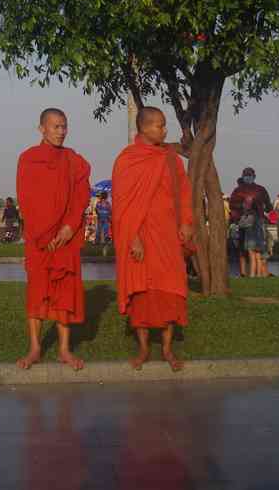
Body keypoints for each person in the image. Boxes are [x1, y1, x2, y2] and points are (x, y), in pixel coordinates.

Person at [112, 107, 193, 372]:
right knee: (142, 294)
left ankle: (167, 349)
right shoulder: (127, 160)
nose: (164, 130)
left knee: (170, 290)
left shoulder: (171, 159)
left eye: (164, 125)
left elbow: (184, 192)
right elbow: (122, 205)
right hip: (141, 236)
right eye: (159, 125)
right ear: (144, 128)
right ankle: (144, 349)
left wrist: (186, 222)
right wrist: (133, 238)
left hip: (168, 234)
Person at [15, 107, 91, 371]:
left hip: (65, 238)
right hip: (39, 238)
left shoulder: (73, 161)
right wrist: (44, 234)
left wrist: (69, 227)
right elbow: (26, 199)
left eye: (64, 126)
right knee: (37, 291)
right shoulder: (29, 159)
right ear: (42, 129)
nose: (61, 132)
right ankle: (35, 348)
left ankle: (64, 349)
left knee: (64, 292)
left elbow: (81, 196)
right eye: (55, 126)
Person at [228, 167, 273, 278]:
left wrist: (245, 206)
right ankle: (256, 274)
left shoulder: (239, 190)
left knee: (248, 251)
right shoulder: (259, 189)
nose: (248, 177)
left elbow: (231, 205)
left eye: (249, 175)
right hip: (250, 222)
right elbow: (269, 207)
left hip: (246, 222)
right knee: (256, 250)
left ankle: (251, 274)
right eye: (247, 175)